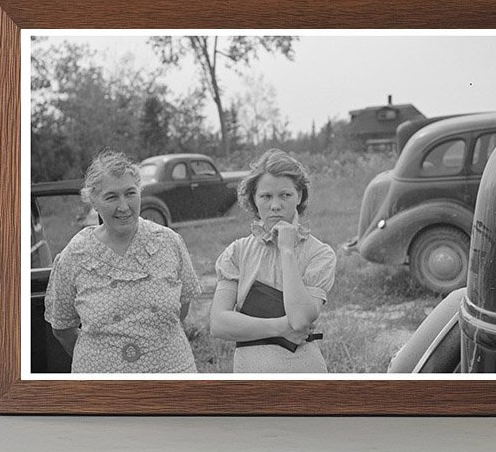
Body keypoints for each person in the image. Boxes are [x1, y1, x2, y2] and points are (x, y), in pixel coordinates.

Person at [44, 150, 200, 373]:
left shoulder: (168, 242)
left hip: (171, 374)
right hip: (103, 388)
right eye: (111, 197)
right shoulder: (74, 255)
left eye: (130, 193)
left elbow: (182, 308)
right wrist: (103, 361)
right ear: (93, 202)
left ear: (140, 192)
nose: (124, 206)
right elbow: (62, 327)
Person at [210, 149, 336, 373]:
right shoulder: (237, 252)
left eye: (285, 195)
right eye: (266, 196)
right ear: (253, 200)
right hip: (249, 374)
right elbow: (219, 324)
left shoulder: (319, 253)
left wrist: (287, 250)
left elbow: (299, 320)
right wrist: (279, 327)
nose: (275, 205)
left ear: (299, 196)